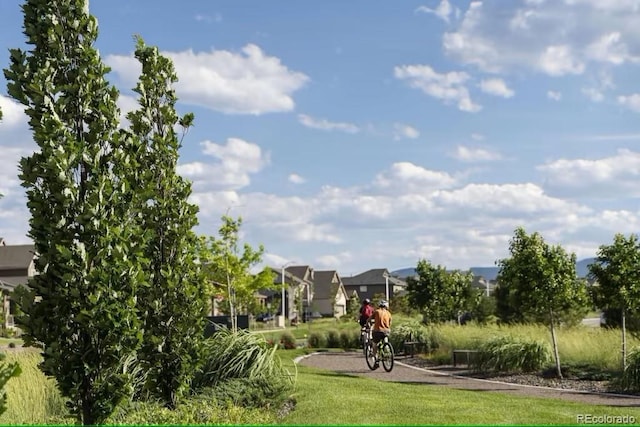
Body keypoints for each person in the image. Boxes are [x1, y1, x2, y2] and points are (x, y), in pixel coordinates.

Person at [369, 300, 392, 367]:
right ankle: (387, 350)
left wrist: (368, 324)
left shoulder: (377, 311)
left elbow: (369, 319)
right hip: (386, 331)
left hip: (377, 331)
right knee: (385, 340)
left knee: (375, 344)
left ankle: (376, 359)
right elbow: (390, 322)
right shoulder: (388, 313)